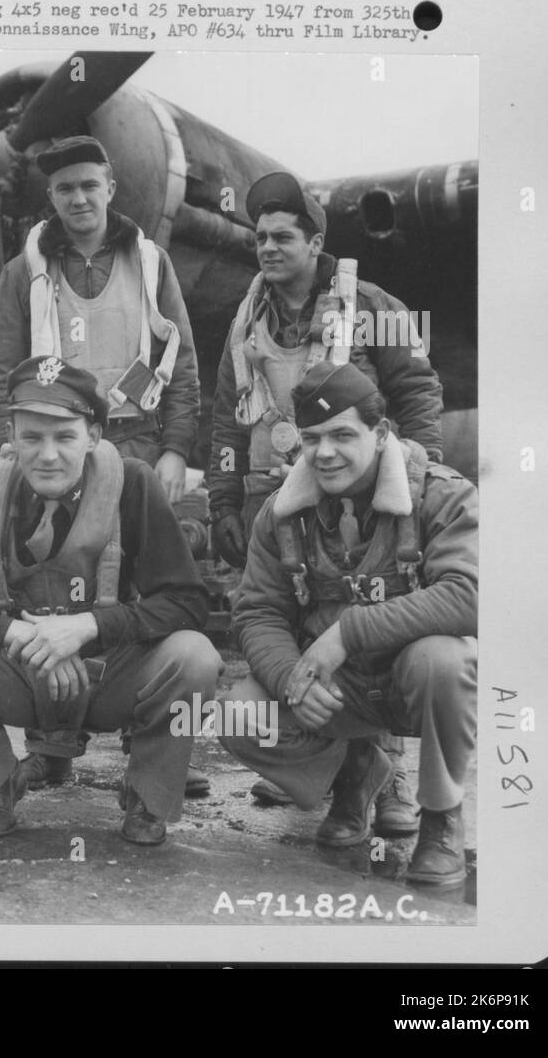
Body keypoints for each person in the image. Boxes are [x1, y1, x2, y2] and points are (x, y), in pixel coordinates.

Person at [0, 357, 222, 845]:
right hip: (19, 675)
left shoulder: (133, 484)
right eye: (32, 437)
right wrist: (15, 634)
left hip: (110, 678)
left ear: (93, 436)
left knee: (196, 657)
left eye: (65, 437)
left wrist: (89, 628)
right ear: (9, 435)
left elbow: (186, 602)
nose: (47, 455)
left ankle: (147, 796)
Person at [208, 170, 445, 820]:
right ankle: (340, 765)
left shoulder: (372, 306)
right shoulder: (246, 317)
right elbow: (229, 415)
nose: (268, 246)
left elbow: (418, 394)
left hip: (367, 494)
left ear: (316, 243)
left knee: (375, 625)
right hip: (276, 499)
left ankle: (391, 775)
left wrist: (417, 485)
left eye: (284, 235)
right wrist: (224, 497)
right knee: (294, 623)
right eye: (260, 236)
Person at [0, 134, 205, 794]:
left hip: (135, 443)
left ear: (110, 185)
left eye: (88, 184)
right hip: (56, 450)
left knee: (140, 589)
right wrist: (7, 452)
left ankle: (156, 742)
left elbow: (181, 363)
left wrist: (173, 450)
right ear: (49, 197)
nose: (78, 198)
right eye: (63, 188)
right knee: (53, 583)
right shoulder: (27, 271)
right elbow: (0, 371)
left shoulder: (150, 262)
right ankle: (53, 744)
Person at [217, 361, 477, 886]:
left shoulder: (440, 494)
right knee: (238, 716)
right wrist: (290, 676)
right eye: (312, 438)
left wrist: (350, 631)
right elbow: (258, 611)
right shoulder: (282, 514)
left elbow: (470, 595)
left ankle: (441, 818)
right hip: (342, 689)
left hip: (413, 681)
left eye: (343, 434)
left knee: (444, 660)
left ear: (381, 434)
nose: (325, 452)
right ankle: (354, 771)